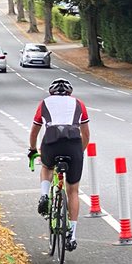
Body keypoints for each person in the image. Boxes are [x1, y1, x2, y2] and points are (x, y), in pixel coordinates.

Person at [28, 78, 90, 250]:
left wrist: (33, 149)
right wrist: (79, 152)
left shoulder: (44, 103)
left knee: (47, 167)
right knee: (73, 191)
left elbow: (34, 132)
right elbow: (86, 134)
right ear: (69, 93)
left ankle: (44, 195)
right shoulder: (79, 104)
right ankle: (72, 235)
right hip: (73, 145)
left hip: (51, 143)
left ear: (51, 92)